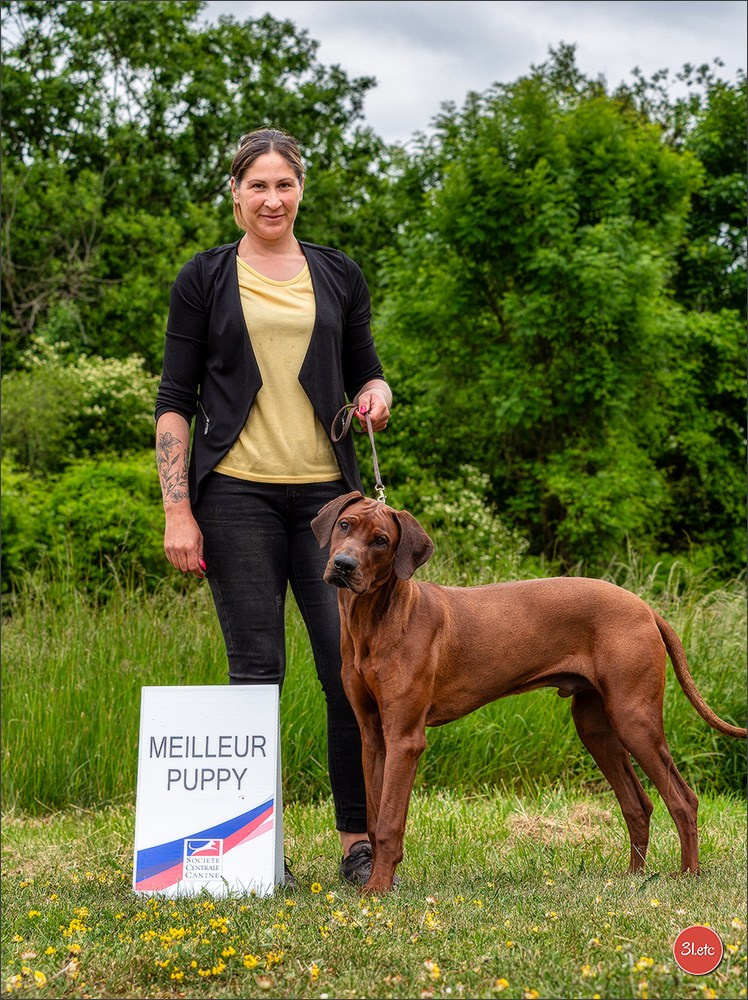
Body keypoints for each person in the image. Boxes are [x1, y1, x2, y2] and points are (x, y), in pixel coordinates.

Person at [154, 127, 392, 888]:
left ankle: (358, 841)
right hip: (236, 497)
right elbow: (173, 405)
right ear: (234, 194)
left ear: (300, 191)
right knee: (257, 670)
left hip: (332, 504)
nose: (271, 198)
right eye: (256, 185)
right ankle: (254, 848)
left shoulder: (338, 272)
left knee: (345, 670)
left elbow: (367, 371)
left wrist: (376, 395)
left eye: (283, 185)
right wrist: (177, 510)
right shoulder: (204, 277)